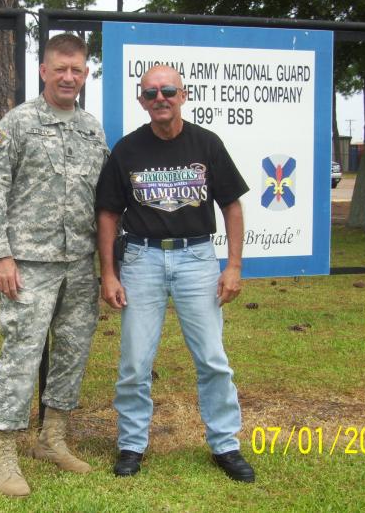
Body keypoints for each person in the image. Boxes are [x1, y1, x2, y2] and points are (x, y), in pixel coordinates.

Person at [95, 64, 255, 482]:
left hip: (197, 259)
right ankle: (131, 444)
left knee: (213, 360)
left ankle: (225, 444)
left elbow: (232, 206)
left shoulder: (207, 143)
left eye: (168, 90)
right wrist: (108, 274)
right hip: (142, 261)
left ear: (183, 95)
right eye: (151, 93)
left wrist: (233, 266)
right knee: (134, 362)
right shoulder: (127, 150)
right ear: (141, 99)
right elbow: (109, 214)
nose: (160, 98)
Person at [0, 33, 108, 497]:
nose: (69, 77)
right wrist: (1, 253)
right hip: (28, 264)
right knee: (21, 357)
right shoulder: (18, 123)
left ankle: (53, 439)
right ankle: (4, 454)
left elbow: (102, 198)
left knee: (72, 351)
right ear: (44, 71)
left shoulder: (92, 128)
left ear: (86, 73)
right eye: (61, 69)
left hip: (79, 263)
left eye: (78, 69)